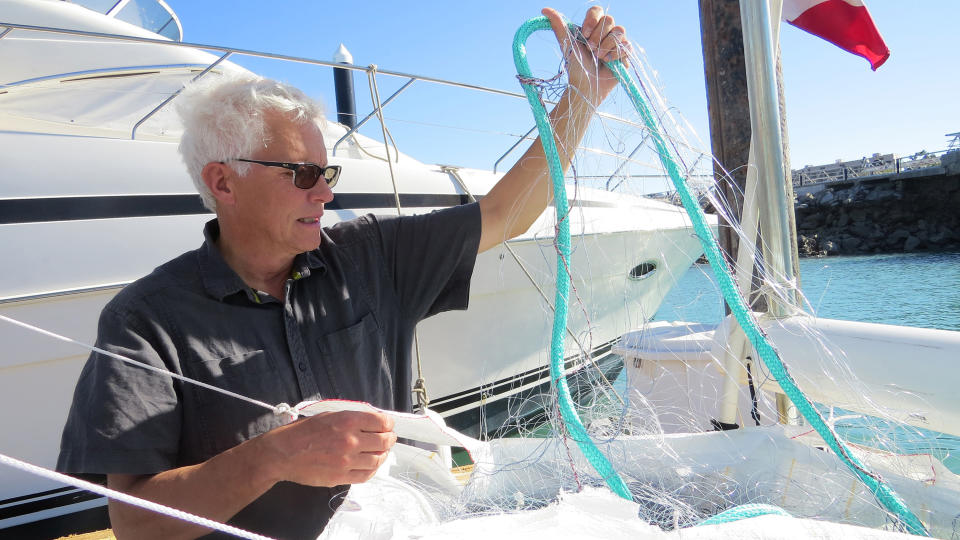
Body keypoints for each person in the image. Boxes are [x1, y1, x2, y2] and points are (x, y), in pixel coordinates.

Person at [57, 7, 629, 540]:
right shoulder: (144, 320)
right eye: (302, 173)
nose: (327, 192)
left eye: (325, 169)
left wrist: (582, 97)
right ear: (223, 182)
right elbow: (135, 523)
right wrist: (272, 456)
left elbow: (506, 213)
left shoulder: (372, 254)